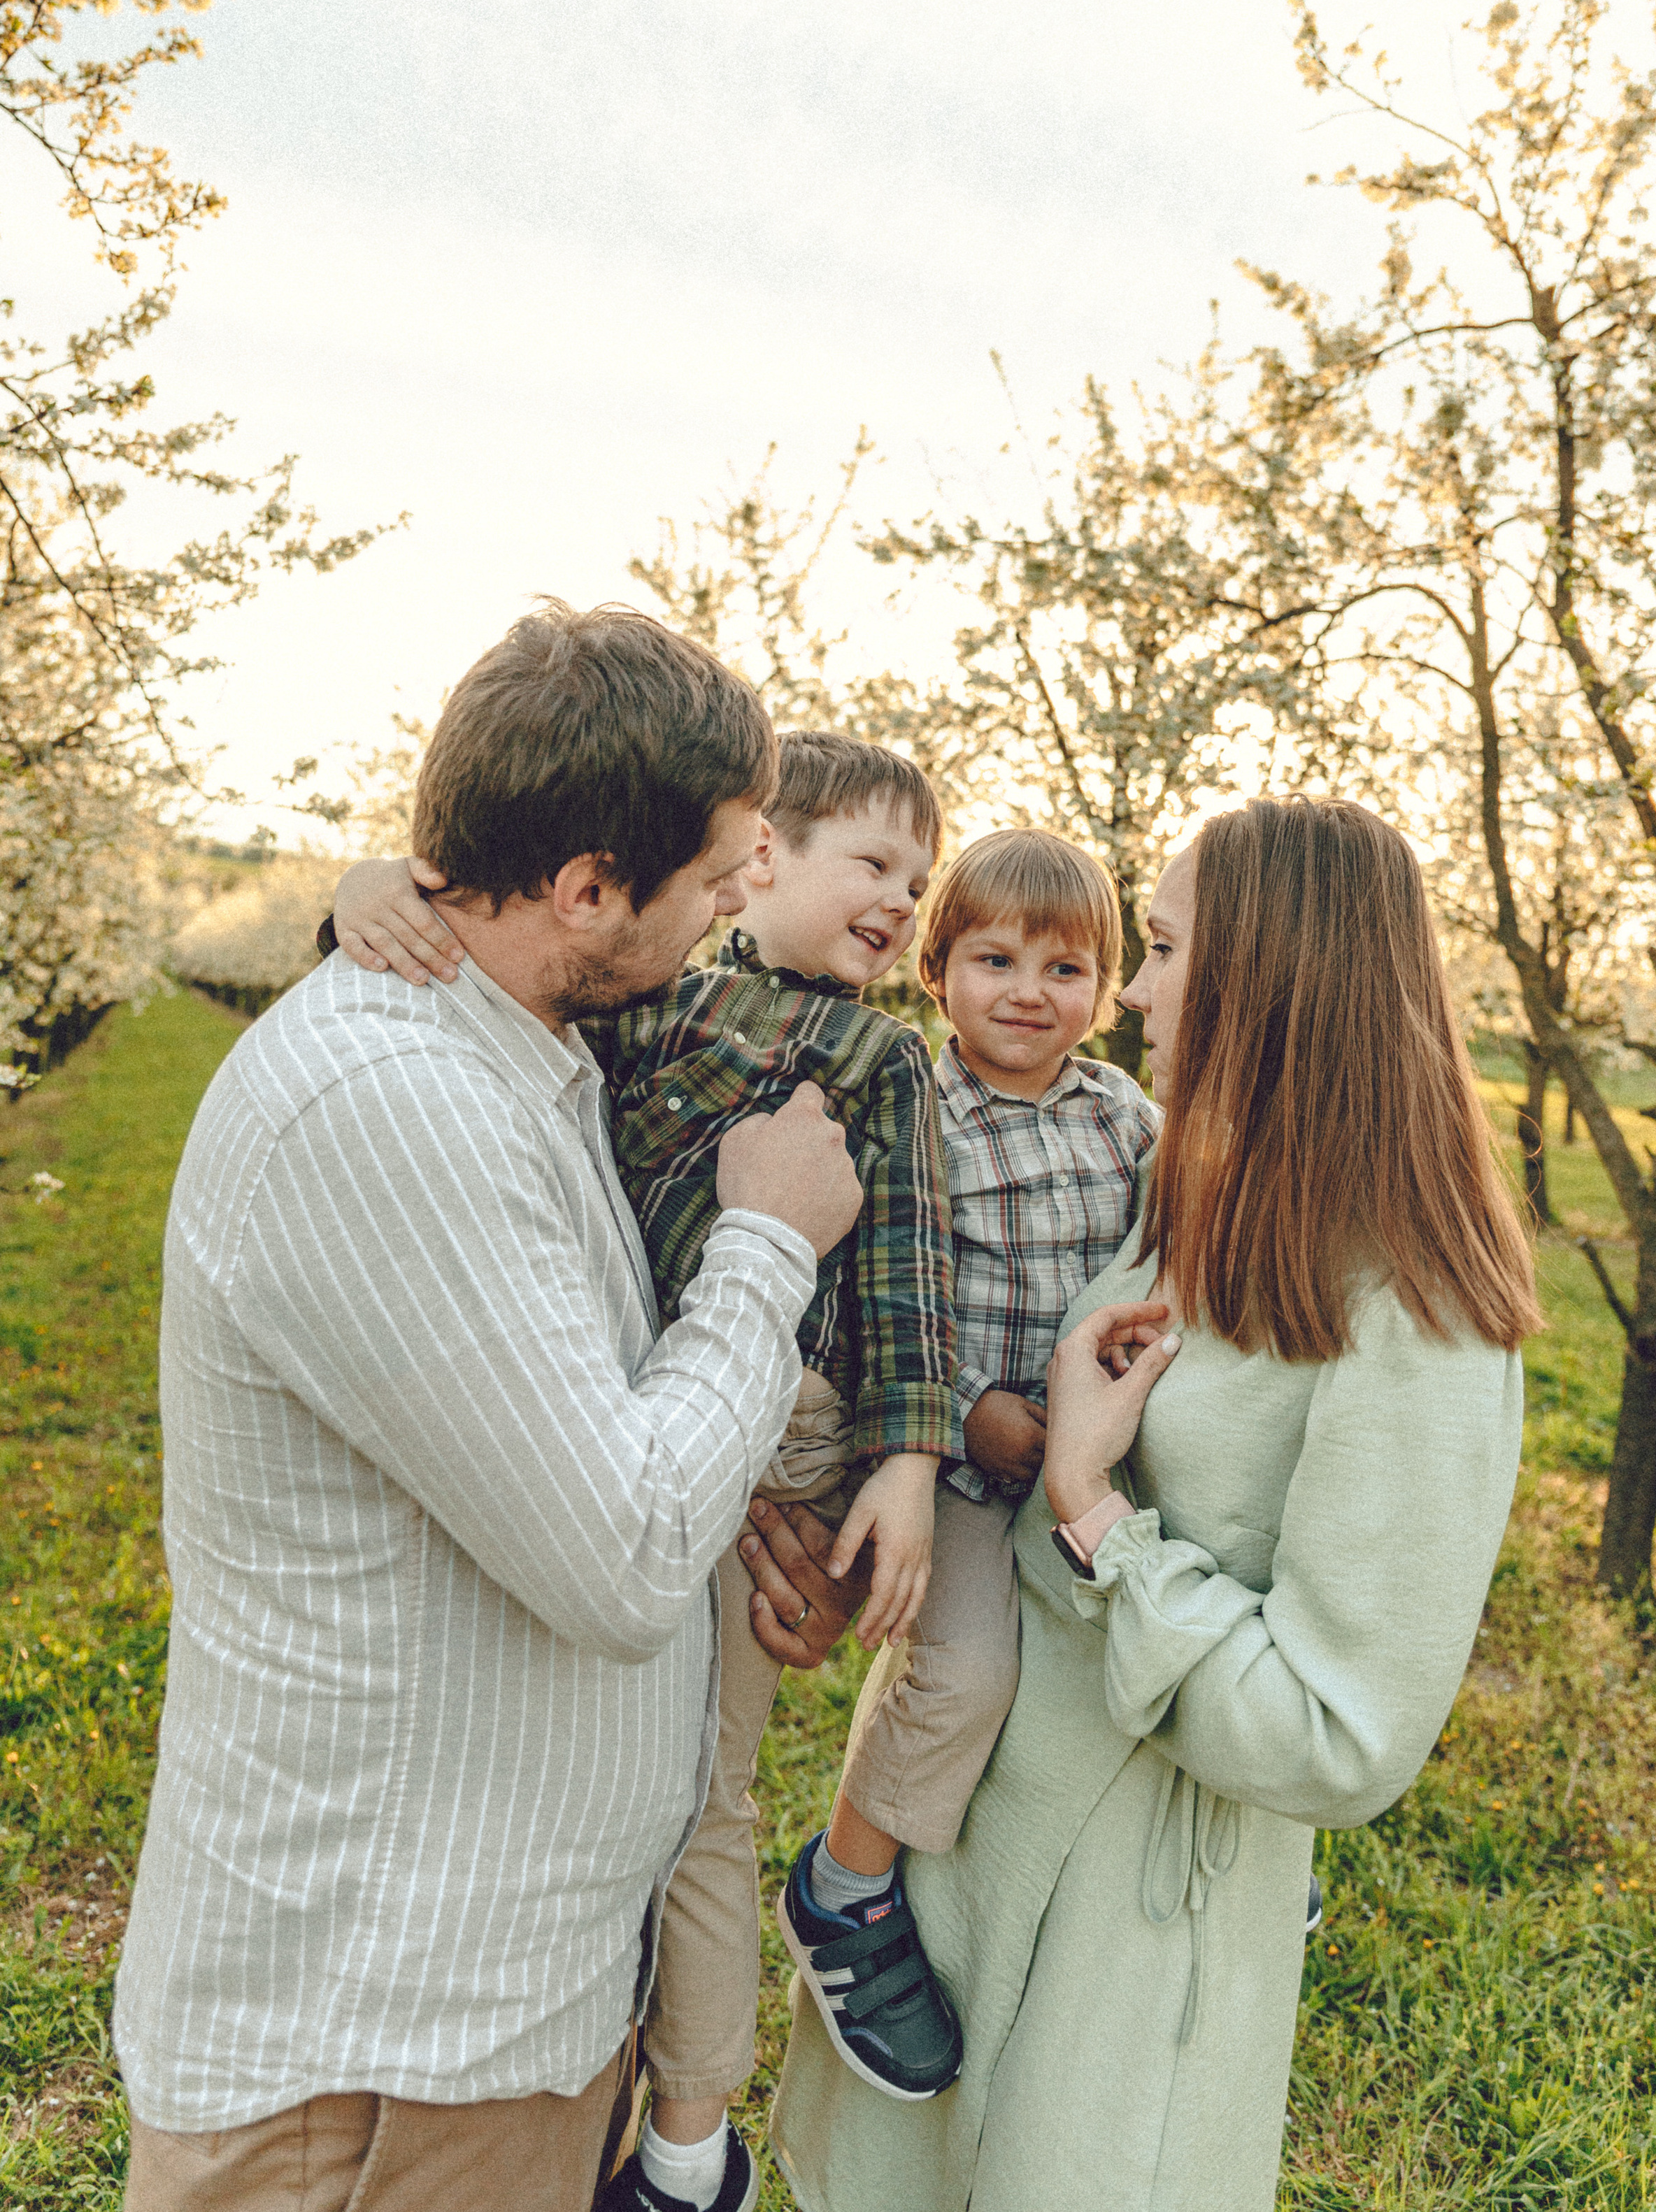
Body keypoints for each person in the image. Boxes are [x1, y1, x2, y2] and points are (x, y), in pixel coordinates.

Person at [113, 605, 865, 2212]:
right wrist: (764, 1244)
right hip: (377, 2061)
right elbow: (619, 1551)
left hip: (494, 2017)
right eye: (714, 869)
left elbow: (569, 1433)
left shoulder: (519, 1049)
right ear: (585, 889)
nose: (741, 896)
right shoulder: (393, 1105)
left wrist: (748, 1525)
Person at [757, 796, 1539, 2212]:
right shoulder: (1187, 1183)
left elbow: (1337, 1734)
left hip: (1120, 1954)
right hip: (958, 1866)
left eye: (1164, 949)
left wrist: (1092, 1512)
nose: (1131, 992)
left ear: (1273, 977)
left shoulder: (1417, 1313)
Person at [327, 731, 962, 2212]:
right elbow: (489, 974)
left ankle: (687, 2144)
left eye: (919, 883)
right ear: (761, 860)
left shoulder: (879, 1060)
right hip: (604, 1408)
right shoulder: (643, 992)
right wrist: (365, 890)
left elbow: (908, 1273)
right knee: (596, 1773)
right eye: (873, 863)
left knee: (700, 1799)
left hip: (769, 1430)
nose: (900, 902)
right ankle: (587, 2088)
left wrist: (906, 1466)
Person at [776, 829, 1160, 2099]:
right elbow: (858, 1296)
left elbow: (1176, 1245)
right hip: (947, 1463)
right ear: (935, 971)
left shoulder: (1124, 1117)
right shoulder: (907, 1110)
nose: (1029, 992)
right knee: (964, 1669)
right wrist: (967, 1406)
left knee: (1157, 1633)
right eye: (995, 960)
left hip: (1089, 1456)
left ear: (1104, 990)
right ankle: (846, 1886)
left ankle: (1229, 1841)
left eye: (1066, 968)